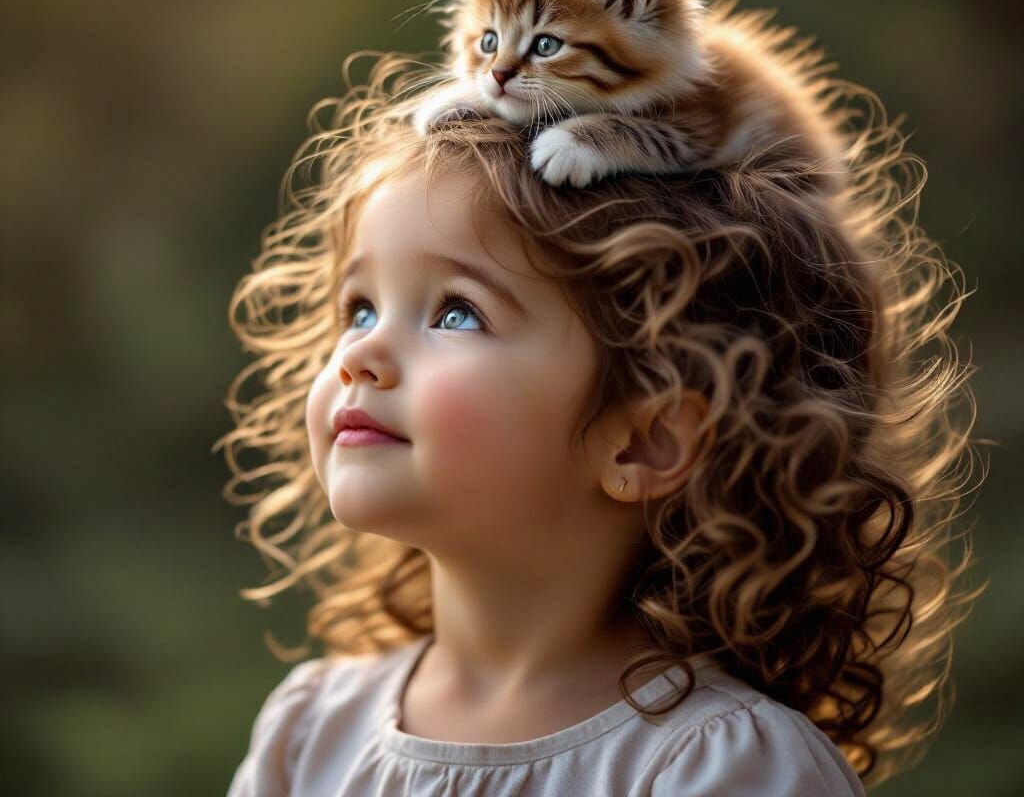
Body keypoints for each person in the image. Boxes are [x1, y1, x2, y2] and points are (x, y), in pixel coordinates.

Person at [216, 55, 982, 795]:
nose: (362, 354)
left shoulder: (720, 769)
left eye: (457, 313)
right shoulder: (307, 734)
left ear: (644, 438)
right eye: (360, 308)